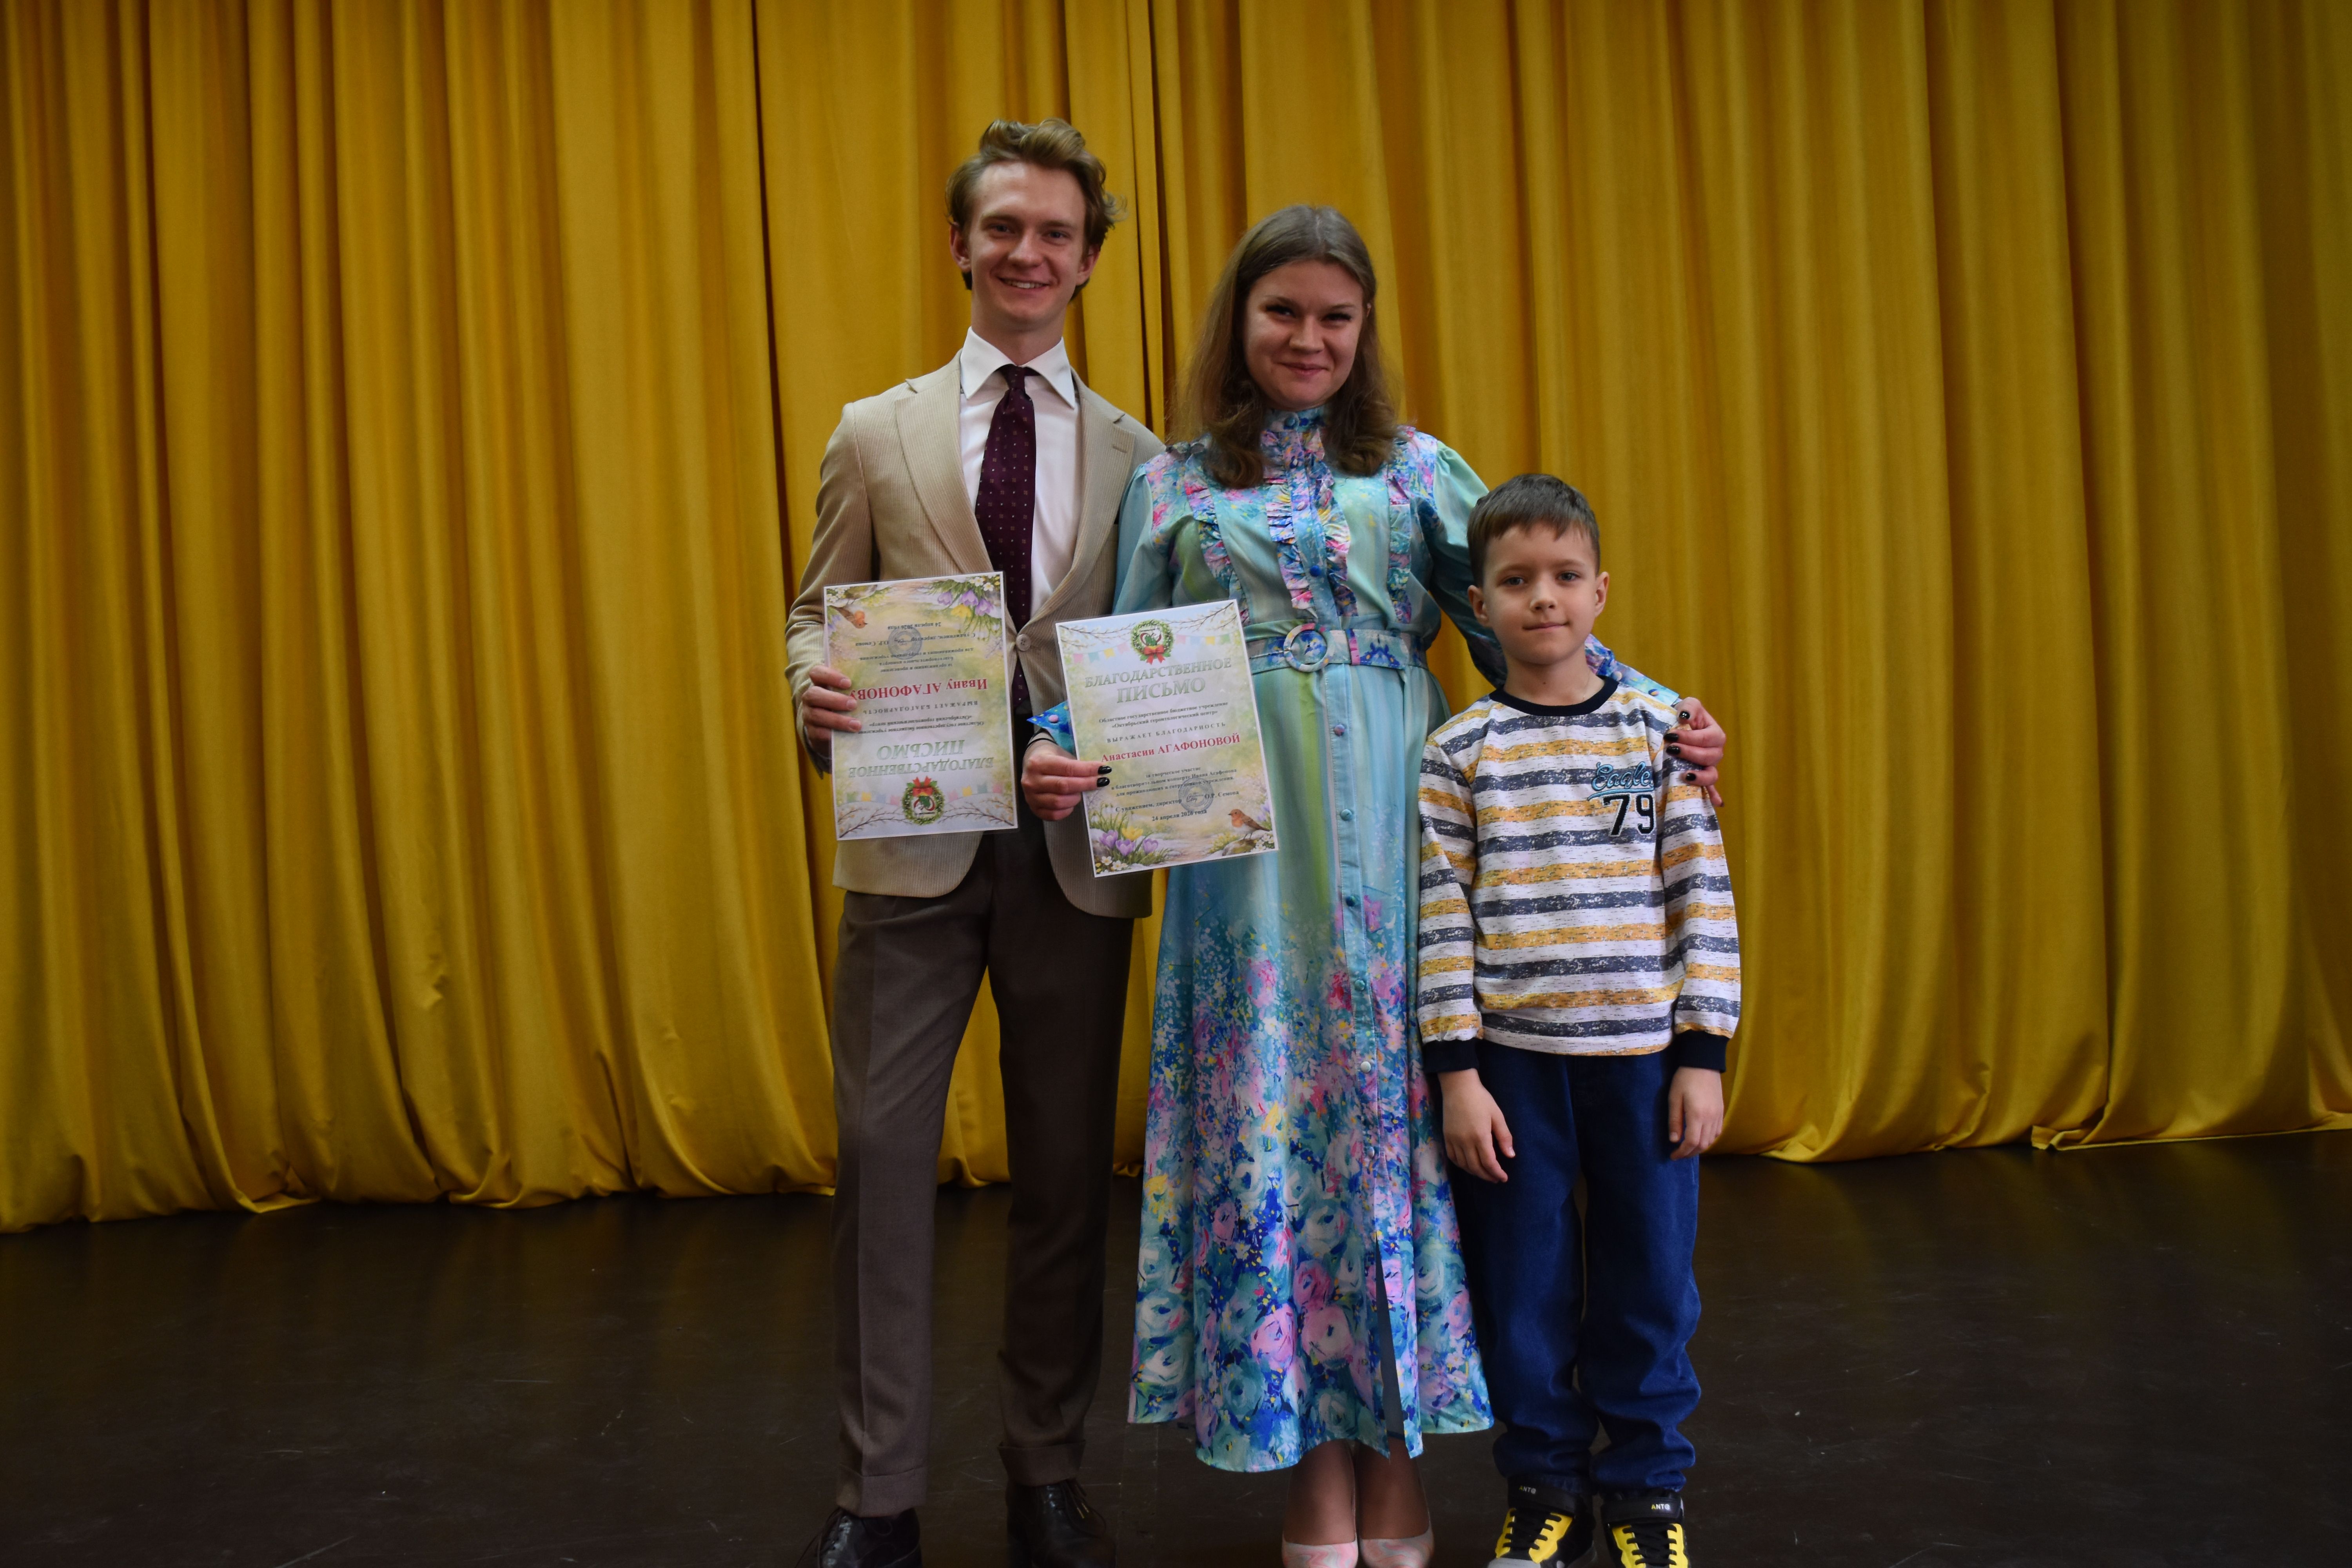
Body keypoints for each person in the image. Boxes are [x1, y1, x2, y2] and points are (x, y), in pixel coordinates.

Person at [1027, 208, 1726, 1566]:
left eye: (1335, 316)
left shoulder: (1416, 474)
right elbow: (1113, 658)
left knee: (1398, 1134)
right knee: (1277, 1132)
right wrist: (1055, 751)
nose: (1309, 338)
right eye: (1282, 310)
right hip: (1242, 874)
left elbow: (1532, 623)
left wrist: (1658, 716)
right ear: (1240, 321)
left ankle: (1399, 1465)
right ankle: (1311, 1477)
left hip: (1407, 857)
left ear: (1364, 331)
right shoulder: (1172, 487)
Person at [785, 119, 1162, 1568]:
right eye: (1003, 226)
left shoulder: (1142, 460)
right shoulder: (872, 430)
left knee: (1065, 1177)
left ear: (1088, 259)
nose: (1028, 252)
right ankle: (874, 1496)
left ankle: (1044, 1475)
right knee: (883, 1168)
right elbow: (817, 616)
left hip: (1074, 859)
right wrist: (813, 695)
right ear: (961, 244)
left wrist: (1128, 757)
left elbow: (1155, 666)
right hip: (911, 847)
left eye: (1057, 232)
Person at [1416, 474, 1740, 1568]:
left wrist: (1702, 1055)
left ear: (1601, 592)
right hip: (1513, 1073)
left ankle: (1649, 1493)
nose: (1543, 598)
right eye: (1516, 581)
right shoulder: (1459, 753)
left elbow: (1703, 898)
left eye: (1564, 577)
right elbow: (1443, 921)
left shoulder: (1662, 733)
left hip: (1645, 1063)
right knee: (1523, 1290)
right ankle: (1544, 1484)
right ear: (1480, 603)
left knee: (1650, 1285)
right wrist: (1459, 1076)